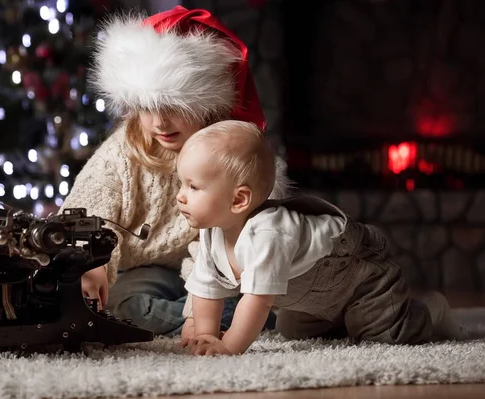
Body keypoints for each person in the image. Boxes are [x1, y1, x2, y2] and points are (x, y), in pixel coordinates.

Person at [59, 6, 287, 337]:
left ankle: (245, 316)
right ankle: (247, 320)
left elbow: (226, 246)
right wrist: (91, 266)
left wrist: (200, 309)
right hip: (147, 269)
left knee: (243, 291)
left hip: (218, 269)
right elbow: (91, 212)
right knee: (123, 303)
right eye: (148, 107)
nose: (160, 122)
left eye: (175, 107)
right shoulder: (123, 152)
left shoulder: (228, 155)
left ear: (207, 104)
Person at [176, 120, 465, 356]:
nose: (180, 195)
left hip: (360, 281)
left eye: (193, 187)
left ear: (239, 199)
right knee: (292, 332)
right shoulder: (213, 232)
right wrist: (205, 335)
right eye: (181, 184)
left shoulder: (267, 233)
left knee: (387, 337)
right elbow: (206, 288)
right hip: (312, 301)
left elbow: (258, 300)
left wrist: (228, 347)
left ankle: (430, 309)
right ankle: (347, 322)